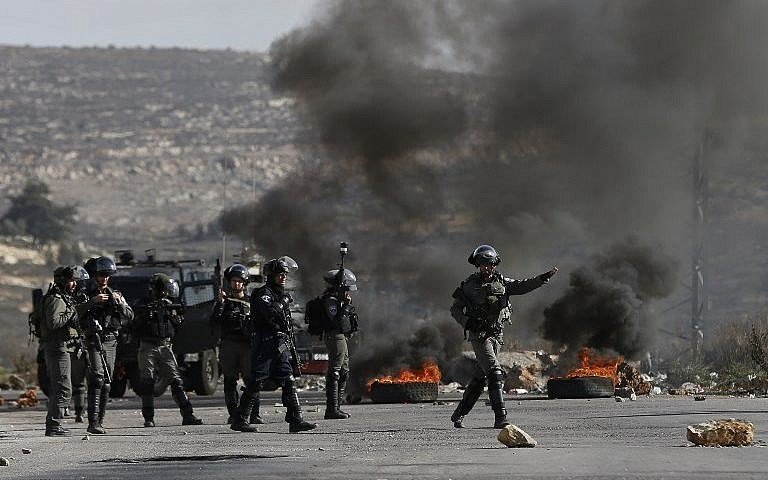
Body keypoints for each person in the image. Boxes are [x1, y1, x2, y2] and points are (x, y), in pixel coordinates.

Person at [450, 245, 557, 429]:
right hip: (479, 336)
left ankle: (459, 414)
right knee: (494, 371)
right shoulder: (469, 285)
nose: (486, 268)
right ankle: (501, 417)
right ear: (477, 265)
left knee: (480, 376)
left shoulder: (503, 283)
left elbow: (523, 285)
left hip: (496, 335)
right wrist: (467, 322)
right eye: (482, 264)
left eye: (489, 264)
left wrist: (542, 278)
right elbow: (455, 309)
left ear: (495, 264)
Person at [231, 256, 316, 433]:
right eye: (280, 273)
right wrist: (283, 302)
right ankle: (240, 419)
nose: (283, 277)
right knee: (256, 381)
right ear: (271, 275)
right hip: (265, 342)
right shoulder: (263, 294)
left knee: (288, 379)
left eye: (285, 273)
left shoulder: (279, 294)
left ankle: (295, 419)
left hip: (279, 343)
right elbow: (268, 314)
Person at [135, 273, 203, 427]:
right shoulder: (144, 304)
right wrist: (148, 313)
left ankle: (188, 415)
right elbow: (134, 325)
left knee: (176, 380)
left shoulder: (170, 305)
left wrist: (172, 313)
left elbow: (179, 323)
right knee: (147, 382)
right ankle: (148, 418)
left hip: (165, 346)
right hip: (148, 346)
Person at [80, 256, 134, 434]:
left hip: (111, 340)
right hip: (93, 339)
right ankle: (92, 422)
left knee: (107, 381)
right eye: (100, 275)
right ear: (94, 276)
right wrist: (91, 302)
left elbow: (130, 315)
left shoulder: (114, 293)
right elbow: (75, 313)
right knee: (96, 377)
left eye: (106, 275)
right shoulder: (85, 293)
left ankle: (100, 421)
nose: (104, 279)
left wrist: (118, 302)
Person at [210, 263, 261, 425]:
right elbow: (214, 321)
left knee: (251, 380)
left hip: (247, 345)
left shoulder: (251, 302)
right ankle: (234, 414)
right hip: (229, 344)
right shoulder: (224, 302)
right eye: (233, 281)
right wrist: (220, 303)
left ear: (244, 283)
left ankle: (254, 414)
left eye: (239, 281)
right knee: (230, 381)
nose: (236, 284)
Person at [41, 266, 88, 437]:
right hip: (57, 348)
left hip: (63, 347)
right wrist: (71, 311)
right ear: (63, 281)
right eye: (72, 281)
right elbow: (53, 323)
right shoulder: (55, 299)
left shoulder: (62, 298)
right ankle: (54, 425)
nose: (74, 284)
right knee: (63, 388)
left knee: (62, 387)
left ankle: (55, 424)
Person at [317, 268, 359, 420]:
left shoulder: (337, 300)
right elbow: (336, 321)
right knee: (335, 371)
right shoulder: (331, 300)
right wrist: (346, 306)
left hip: (341, 336)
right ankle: (332, 409)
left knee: (344, 371)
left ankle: (337, 407)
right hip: (334, 336)